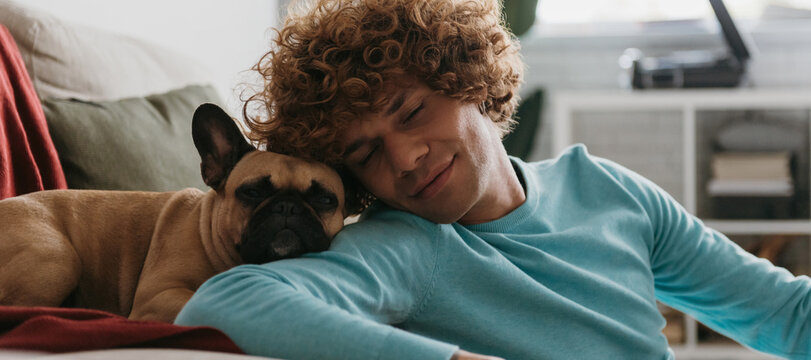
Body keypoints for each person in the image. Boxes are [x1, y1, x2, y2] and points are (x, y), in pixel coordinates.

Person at [174, 0, 811, 359]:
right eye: (365, 154)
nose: (404, 160)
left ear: (470, 81)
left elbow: (786, 314)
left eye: (413, 111)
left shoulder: (610, 192)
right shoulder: (406, 245)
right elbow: (225, 304)